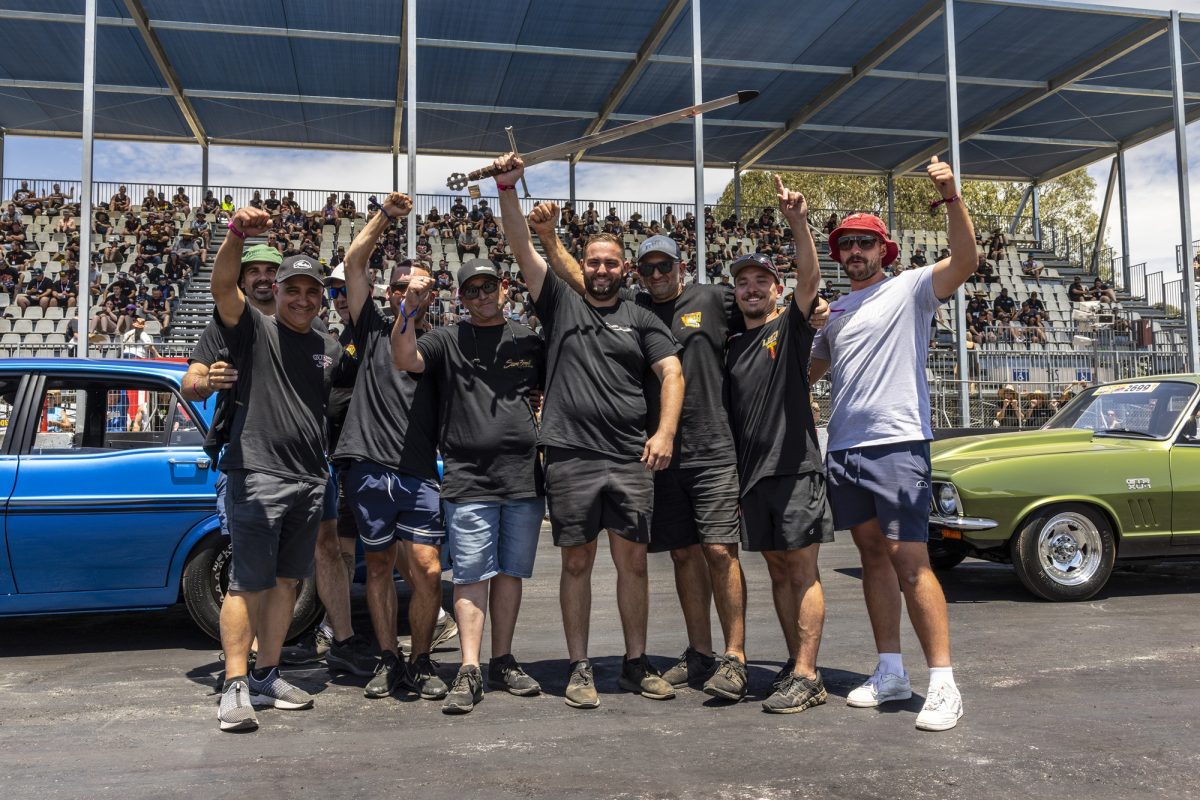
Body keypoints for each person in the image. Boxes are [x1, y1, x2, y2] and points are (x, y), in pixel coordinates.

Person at [530, 205, 829, 702]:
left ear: (680, 267)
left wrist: (813, 310)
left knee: (719, 551)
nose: (655, 275)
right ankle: (699, 653)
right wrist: (548, 236)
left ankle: (735, 657)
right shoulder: (633, 309)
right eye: (646, 268)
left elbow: (769, 309)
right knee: (684, 555)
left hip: (714, 449)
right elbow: (572, 272)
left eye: (663, 267)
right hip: (656, 454)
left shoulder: (714, 298)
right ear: (635, 273)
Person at [495, 153, 685, 709]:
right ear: (583, 265)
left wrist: (664, 432)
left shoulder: (643, 318)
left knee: (631, 563)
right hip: (572, 456)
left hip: (629, 457)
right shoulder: (559, 302)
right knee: (576, 562)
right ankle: (579, 666)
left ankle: (633, 662)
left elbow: (672, 372)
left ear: (623, 270)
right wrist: (509, 188)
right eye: (594, 262)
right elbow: (521, 247)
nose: (602, 270)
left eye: (611, 263)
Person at [810, 156, 973, 732]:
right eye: (846, 245)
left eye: (865, 244)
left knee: (912, 563)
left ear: (885, 251)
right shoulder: (832, 311)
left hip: (898, 444)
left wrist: (951, 195)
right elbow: (807, 373)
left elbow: (968, 260)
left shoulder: (910, 289)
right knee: (873, 559)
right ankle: (890, 671)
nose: (854, 252)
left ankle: (945, 683)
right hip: (846, 449)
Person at [391, 258, 546, 715]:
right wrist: (409, 308)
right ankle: (470, 667)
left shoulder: (528, 340)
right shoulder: (445, 338)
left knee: (511, 574)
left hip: (522, 475)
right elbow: (404, 357)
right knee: (472, 575)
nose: (481, 295)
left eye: (488, 286)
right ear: (460, 297)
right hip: (467, 477)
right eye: (471, 290)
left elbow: (550, 387)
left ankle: (503, 659)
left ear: (504, 288)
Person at [209, 207, 341, 733]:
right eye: (293, 290)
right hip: (259, 473)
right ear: (277, 292)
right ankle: (235, 685)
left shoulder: (328, 346)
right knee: (247, 583)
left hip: (310, 479)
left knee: (287, 583)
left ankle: (267, 674)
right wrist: (237, 234)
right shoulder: (254, 329)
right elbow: (223, 286)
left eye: (312, 290)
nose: (303, 298)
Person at [333, 193, 451, 704]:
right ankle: (387, 657)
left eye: (415, 285)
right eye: (398, 284)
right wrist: (385, 217)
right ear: (388, 294)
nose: (405, 291)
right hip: (367, 465)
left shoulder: (441, 341)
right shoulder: (373, 328)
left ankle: (421, 657)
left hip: (418, 468)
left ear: (428, 294)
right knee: (377, 566)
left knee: (426, 567)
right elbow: (354, 262)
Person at [725, 176, 833, 713]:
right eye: (742, 282)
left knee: (802, 569)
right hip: (753, 478)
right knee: (776, 570)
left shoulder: (788, 328)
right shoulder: (730, 344)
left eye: (760, 281)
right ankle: (796, 668)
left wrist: (798, 223)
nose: (750, 289)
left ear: (775, 288)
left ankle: (809, 672)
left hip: (794, 472)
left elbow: (810, 279)